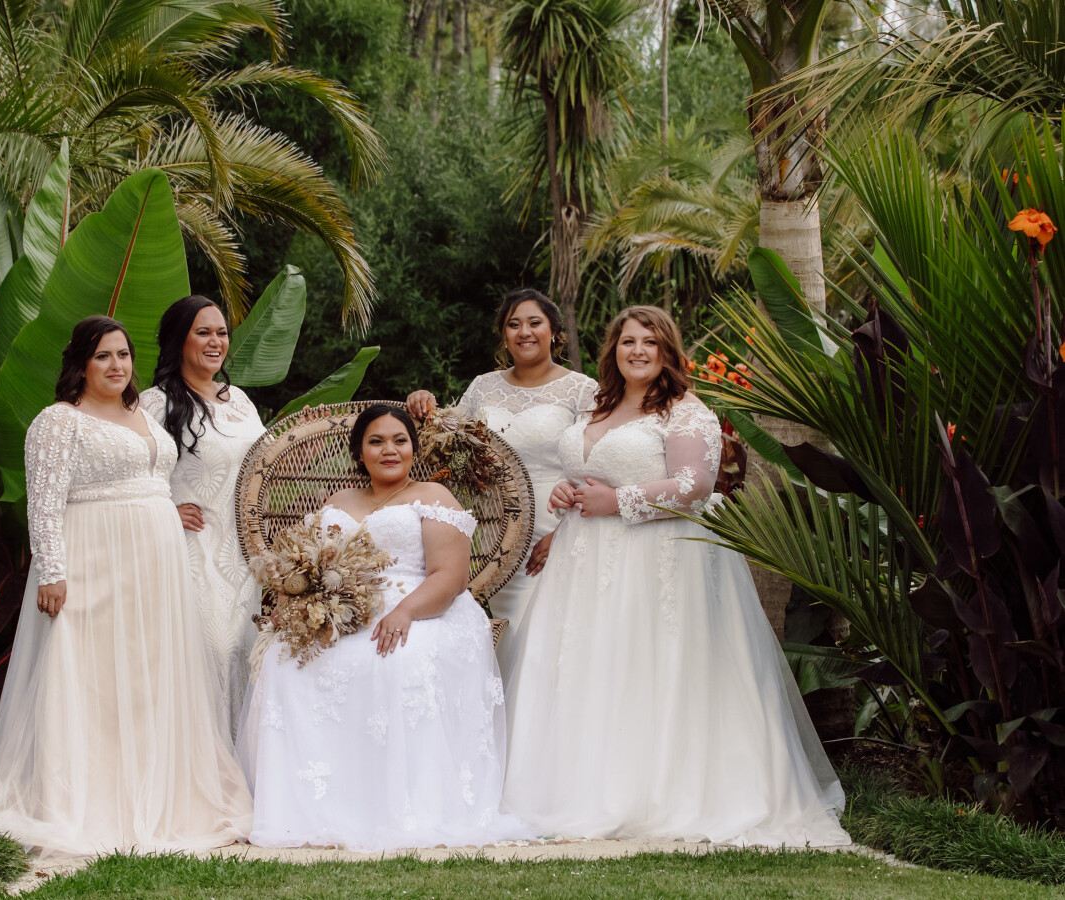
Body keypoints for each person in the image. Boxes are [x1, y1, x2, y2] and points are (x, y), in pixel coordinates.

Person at [502, 306, 850, 847]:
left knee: (648, 667)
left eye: (650, 342)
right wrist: (569, 490)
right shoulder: (602, 404)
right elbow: (588, 471)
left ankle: (655, 793)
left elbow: (694, 485)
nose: (637, 351)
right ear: (612, 350)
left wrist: (616, 499)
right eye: (627, 342)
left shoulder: (687, 412)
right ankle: (575, 789)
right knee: (588, 668)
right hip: (584, 561)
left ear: (668, 351)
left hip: (655, 558)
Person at [0, 316, 252, 855]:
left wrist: (167, 509)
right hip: (92, 561)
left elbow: (155, 479)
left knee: (145, 674)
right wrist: (54, 571)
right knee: (90, 675)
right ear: (81, 364)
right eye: (104, 356)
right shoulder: (59, 422)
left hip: (156, 567)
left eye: (124, 355)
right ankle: (85, 800)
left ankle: (156, 794)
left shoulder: (142, 414)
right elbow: (44, 502)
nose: (116, 366)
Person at [237, 404, 530, 851]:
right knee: (285, 659)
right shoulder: (336, 502)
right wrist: (293, 605)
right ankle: (306, 810)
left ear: (414, 448)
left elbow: (449, 576)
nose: (389, 449)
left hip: (425, 604)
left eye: (400, 440)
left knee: (396, 660)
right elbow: (312, 564)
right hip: (341, 606)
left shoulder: (433, 496)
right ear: (359, 451)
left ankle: (399, 805)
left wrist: (406, 612)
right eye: (376, 441)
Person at [406, 290, 595, 657]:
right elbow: (453, 450)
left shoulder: (582, 389)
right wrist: (424, 408)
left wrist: (565, 533)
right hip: (493, 527)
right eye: (514, 324)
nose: (524, 331)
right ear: (504, 335)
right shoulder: (482, 386)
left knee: (549, 637)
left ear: (555, 331)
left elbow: (597, 467)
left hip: (556, 523)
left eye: (534, 322)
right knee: (504, 632)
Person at [139, 296, 265, 737]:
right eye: (203, 332)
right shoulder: (153, 405)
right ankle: (198, 767)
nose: (216, 341)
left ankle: (238, 768)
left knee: (246, 651)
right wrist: (165, 511)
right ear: (179, 339)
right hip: (189, 548)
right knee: (211, 648)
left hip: (243, 552)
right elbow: (127, 473)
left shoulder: (241, 402)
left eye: (222, 332)